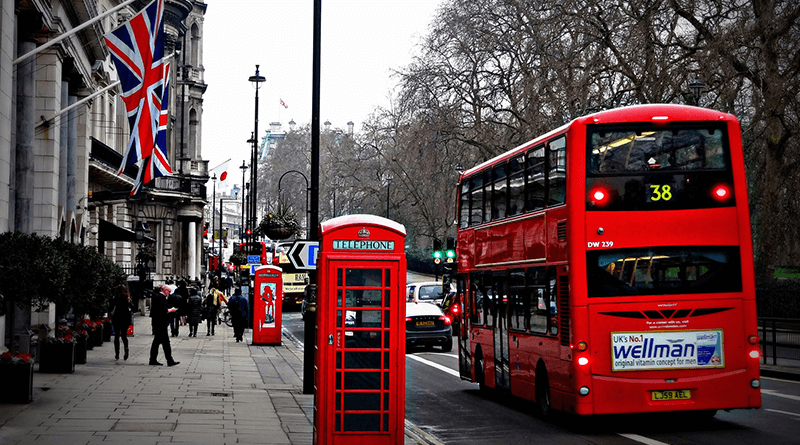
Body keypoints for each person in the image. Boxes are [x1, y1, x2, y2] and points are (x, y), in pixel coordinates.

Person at [149, 285, 180, 366]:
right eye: (169, 291)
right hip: (160, 323)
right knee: (165, 343)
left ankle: (153, 359)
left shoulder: (158, 297)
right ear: (165, 290)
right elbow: (162, 310)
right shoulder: (160, 297)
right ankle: (169, 360)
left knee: (157, 342)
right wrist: (171, 310)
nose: (169, 293)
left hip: (159, 323)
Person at [109, 284, 134, 360]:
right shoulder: (127, 298)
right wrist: (129, 302)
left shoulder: (115, 298)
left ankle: (117, 353)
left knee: (116, 336)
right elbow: (133, 307)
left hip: (117, 318)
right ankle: (126, 349)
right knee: (124, 336)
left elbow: (110, 308)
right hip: (125, 318)